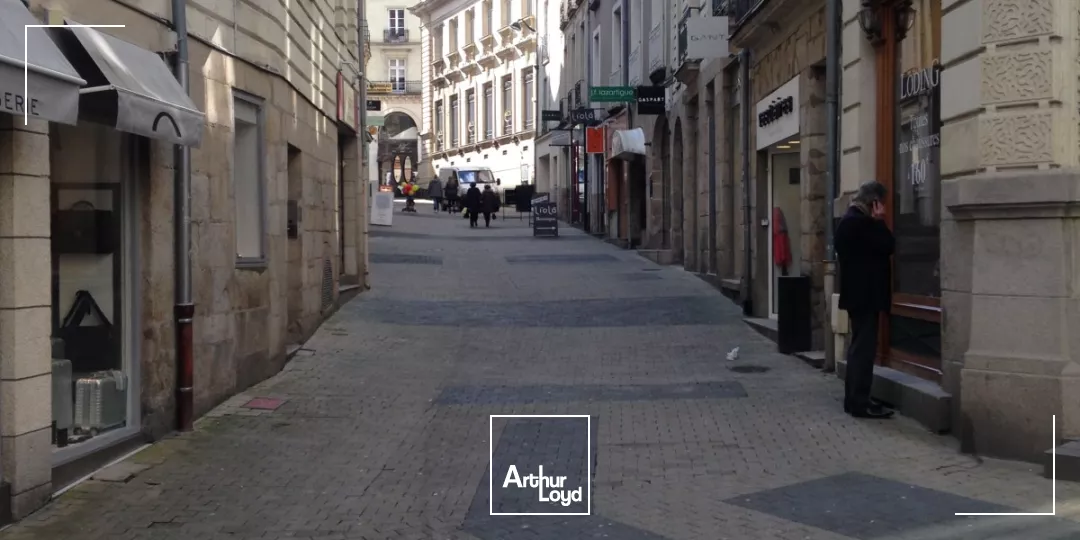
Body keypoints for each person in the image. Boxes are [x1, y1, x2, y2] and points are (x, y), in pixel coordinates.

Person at [835, 180, 895, 420]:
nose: (886, 210)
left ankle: (854, 399)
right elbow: (888, 246)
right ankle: (859, 401)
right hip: (865, 297)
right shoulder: (860, 224)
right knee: (863, 350)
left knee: (858, 347)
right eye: (883, 205)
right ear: (874, 203)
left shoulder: (850, 221)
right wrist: (879, 222)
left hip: (858, 297)